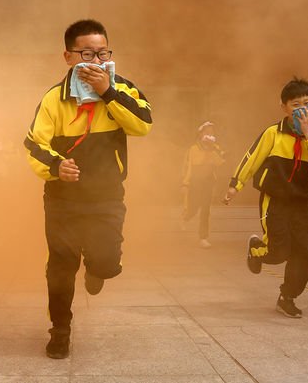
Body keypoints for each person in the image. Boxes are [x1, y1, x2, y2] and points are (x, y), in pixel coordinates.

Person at [24, 20, 153, 359]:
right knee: (62, 268)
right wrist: (56, 167)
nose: (96, 61)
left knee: (108, 263)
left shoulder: (121, 89)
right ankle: (60, 332)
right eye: (87, 53)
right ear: (68, 57)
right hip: (63, 201)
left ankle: (99, 270)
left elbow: (143, 124)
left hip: (106, 198)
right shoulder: (54, 99)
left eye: (102, 52)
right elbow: (33, 144)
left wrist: (109, 92)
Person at [224, 77, 308, 318]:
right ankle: (256, 249)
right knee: (278, 252)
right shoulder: (272, 133)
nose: (302, 109)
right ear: (284, 107)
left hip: (302, 203)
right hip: (275, 200)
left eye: (307, 103)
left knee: (304, 253)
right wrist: (236, 184)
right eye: (296, 104)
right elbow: (251, 157)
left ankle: (288, 297)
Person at [181, 121, 225, 248]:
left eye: (212, 132)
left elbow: (219, 163)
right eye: (207, 132)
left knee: (205, 209)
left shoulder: (215, 147)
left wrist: (214, 151)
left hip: (208, 182)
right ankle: (186, 216)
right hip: (195, 182)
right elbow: (189, 166)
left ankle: (203, 237)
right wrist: (184, 183)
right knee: (194, 206)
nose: (210, 134)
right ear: (200, 134)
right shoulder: (193, 149)